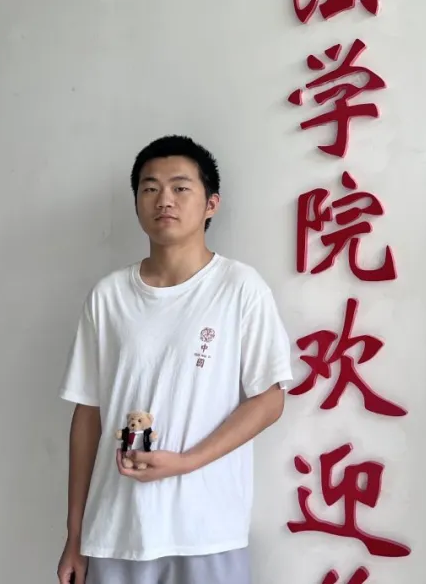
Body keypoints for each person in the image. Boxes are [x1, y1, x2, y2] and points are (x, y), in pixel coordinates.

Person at [56, 135, 293, 584]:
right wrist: (75, 535)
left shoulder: (240, 288)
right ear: (137, 204)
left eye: (180, 187)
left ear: (211, 204)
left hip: (207, 532)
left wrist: (187, 462)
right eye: (150, 188)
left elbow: (269, 400)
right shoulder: (108, 296)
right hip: (117, 532)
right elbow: (87, 415)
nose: (164, 199)